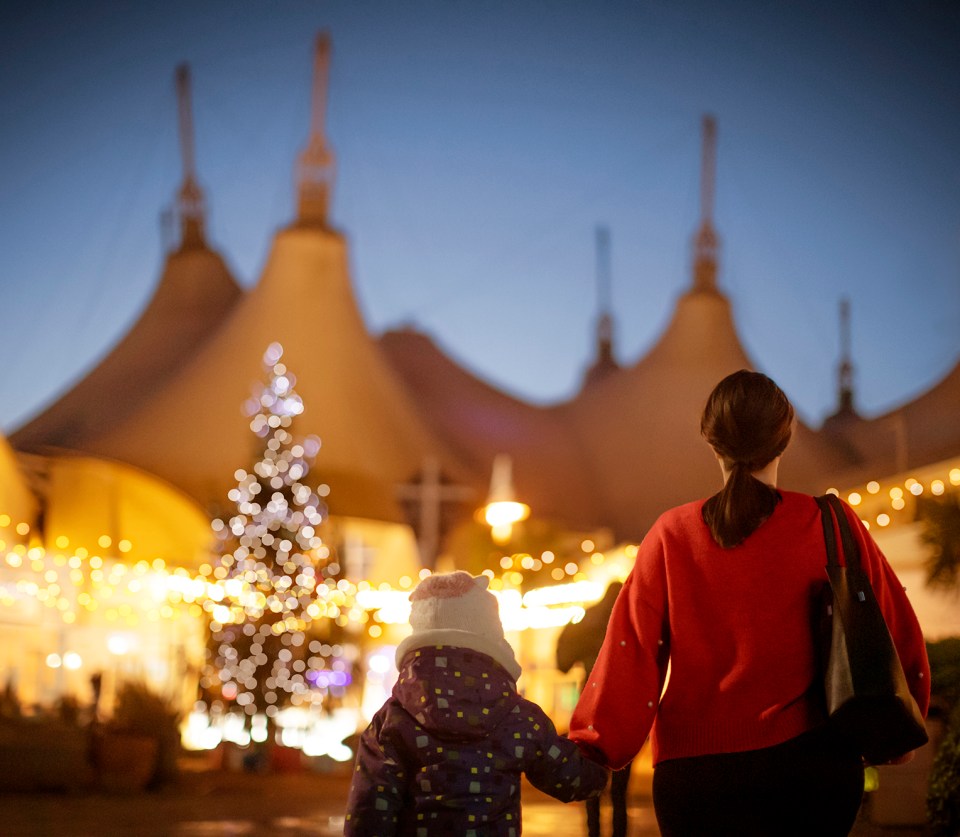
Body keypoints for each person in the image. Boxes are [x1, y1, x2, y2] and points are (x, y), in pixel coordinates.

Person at [568, 369, 931, 836]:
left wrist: (600, 747)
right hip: (816, 768)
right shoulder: (831, 523)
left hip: (697, 777)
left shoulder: (671, 534)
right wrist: (901, 728)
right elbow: (895, 626)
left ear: (711, 440)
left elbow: (630, 652)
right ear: (785, 437)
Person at [345, 570, 607, 836]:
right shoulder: (517, 717)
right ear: (492, 636)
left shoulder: (390, 721)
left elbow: (368, 814)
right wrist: (603, 746)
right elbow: (575, 780)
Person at [556, 581, 632, 837]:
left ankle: (593, 832)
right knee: (621, 789)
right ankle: (620, 832)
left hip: (592, 712)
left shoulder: (587, 620)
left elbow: (563, 662)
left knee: (593, 783)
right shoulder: (630, 619)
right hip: (624, 711)